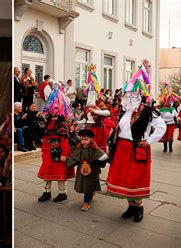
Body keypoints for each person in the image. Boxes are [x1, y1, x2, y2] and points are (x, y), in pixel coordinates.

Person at [106, 61, 166, 222]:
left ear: (139, 95)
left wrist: (150, 140)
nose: (128, 97)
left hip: (138, 148)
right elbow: (118, 129)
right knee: (125, 178)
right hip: (122, 149)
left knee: (135, 178)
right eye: (127, 94)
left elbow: (161, 127)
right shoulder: (124, 111)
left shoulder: (148, 112)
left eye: (132, 94)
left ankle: (139, 206)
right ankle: (130, 206)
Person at [37, 85, 74, 203]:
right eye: (52, 106)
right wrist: (43, 149)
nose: (54, 109)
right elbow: (45, 135)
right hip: (48, 149)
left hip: (59, 150)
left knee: (60, 172)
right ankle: (46, 192)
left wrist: (64, 154)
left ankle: (63, 193)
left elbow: (64, 139)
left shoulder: (63, 122)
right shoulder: (48, 121)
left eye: (56, 106)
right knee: (47, 170)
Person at [67, 129, 108, 211]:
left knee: (89, 185)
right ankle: (90, 195)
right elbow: (74, 159)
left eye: (86, 139)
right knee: (85, 185)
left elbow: (103, 157)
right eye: (82, 139)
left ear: (91, 139)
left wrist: (100, 159)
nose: (84, 141)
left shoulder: (95, 149)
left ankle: (86, 202)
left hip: (92, 171)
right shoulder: (79, 148)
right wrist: (66, 159)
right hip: (82, 170)